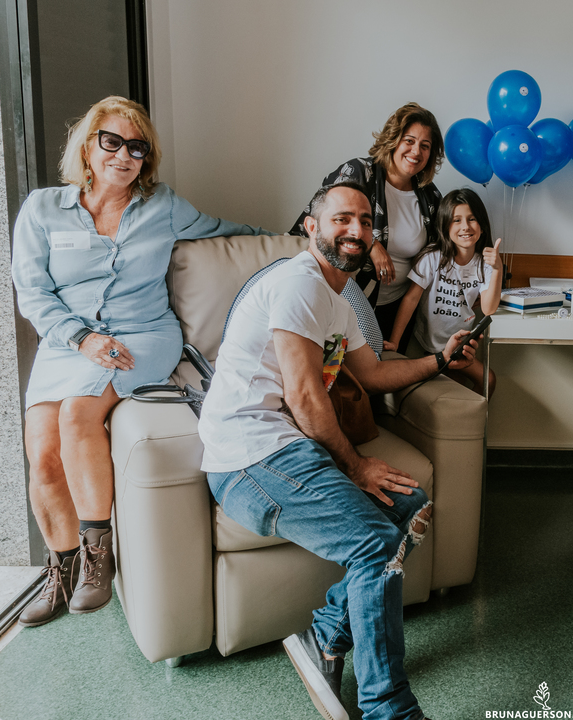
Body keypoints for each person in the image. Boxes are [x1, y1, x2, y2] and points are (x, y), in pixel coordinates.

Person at [200, 182, 475, 720]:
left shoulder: (338, 298)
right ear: (312, 226)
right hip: (250, 460)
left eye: (365, 222)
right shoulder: (297, 284)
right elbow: (304, 395)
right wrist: (356, 466)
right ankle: (388, 708)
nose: (355, 230)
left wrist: (439, 362)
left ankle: (326, 631)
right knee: (375, 543)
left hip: (288, 450)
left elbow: (371, 374)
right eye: (342, 219)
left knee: (411, 504)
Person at [10, 96, 268, 627]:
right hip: (67, 343)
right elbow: (32, 293)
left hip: (142, 336)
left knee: (76, 416)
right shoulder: (41, 208)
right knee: (42, 453)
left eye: (136, 147)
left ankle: (98, 560)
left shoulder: (164, 206)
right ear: (88, 145)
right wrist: (81, 338)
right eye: (112, 142)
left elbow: (226, 229)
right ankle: (59, 571)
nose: (123, 155)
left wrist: (297, 234)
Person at [290, 103, 444, 352]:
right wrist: (372, 243)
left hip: (397, 310)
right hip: (346, 299)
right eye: (410, 141)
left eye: (425, 146)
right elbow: (321, 223)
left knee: (383, 381)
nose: (416, 151)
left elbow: (439, 252)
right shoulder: (359, 173)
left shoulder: (430, 197)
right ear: (394, 139)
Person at [389, 188, 502, 395]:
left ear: (482, 226)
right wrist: (395, 342)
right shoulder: (432, 258)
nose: (465, 226)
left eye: (472, 219)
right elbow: (411, 299)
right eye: (456, 220)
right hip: (432, 347)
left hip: (462, 346)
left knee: (488, 381)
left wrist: (497, 269)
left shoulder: (484, 265)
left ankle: (468, 426)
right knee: (450, 389)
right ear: (445, 226)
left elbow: (488, 308)